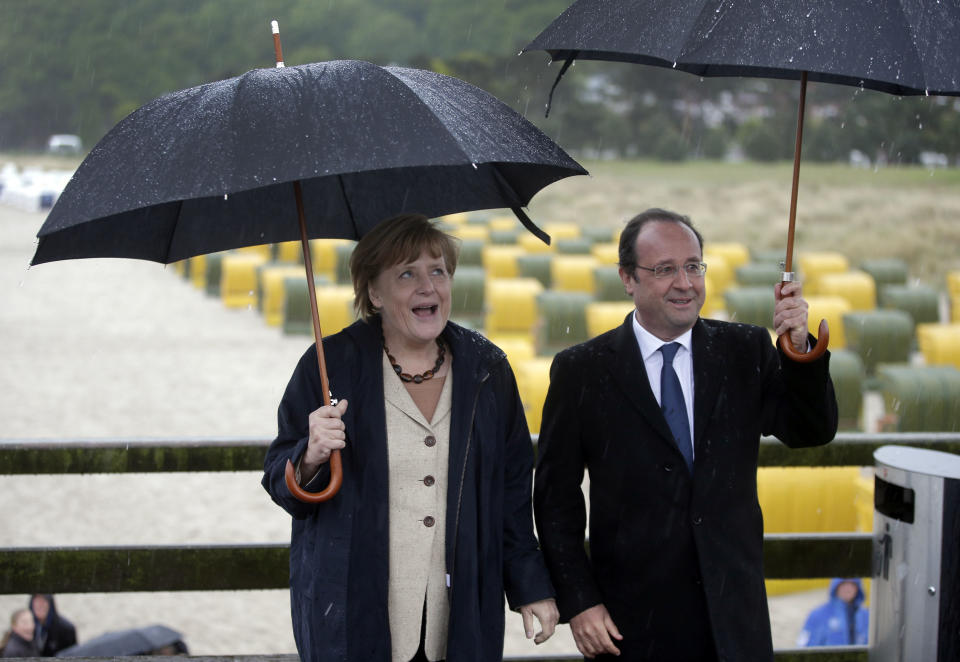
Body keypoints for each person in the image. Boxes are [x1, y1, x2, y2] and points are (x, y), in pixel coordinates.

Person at [534, 208, 838, 661]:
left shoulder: (745, 351)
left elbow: (809, 430)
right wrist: (581, 602)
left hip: (733, 621)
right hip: (631, 627)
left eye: (693, 266)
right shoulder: (583, 371)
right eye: (665, 269)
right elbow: (555, 499)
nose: (685, 283)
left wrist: (798, 348)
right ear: (627, 278)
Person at [262, 213, 559, 662]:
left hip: (459, 612)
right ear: (374, 293)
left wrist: (529, 585)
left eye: (438, 271)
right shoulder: (328, 366)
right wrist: (311, 456)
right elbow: (281, 484)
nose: (428, 287)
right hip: (353, 610)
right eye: (407, 274)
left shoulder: (487, 369)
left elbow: (511, 492)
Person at [797, 578, 869, 647]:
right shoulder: (818, 615)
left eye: (852, 584)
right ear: (836, 586)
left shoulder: (866, 616)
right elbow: (804, 648)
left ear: (858, 587)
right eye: (843, 584)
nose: (848, 588)